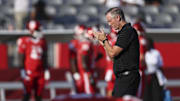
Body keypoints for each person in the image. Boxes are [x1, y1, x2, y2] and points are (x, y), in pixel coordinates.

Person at [93, 7, 140, 97]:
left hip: (128, 76)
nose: (109, 24)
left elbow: (113, 53)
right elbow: (113, 58)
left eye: (110, 21)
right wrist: (103, 43)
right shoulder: (123, 33)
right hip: (122, 77)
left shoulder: (128, 31)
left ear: (118, 17)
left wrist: (104, 40)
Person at [16, 20, 50, 101]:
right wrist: (22, 70)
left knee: (39, 95)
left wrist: (46, 70)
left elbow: (44, 57)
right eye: (38, 30)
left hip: (40, 72)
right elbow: (21, 57)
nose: (40, 31)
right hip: (29, 72)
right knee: (27, 94)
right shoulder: (24, 41)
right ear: (32, 31)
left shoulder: (43, 42)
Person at [133, 22, 147, 98]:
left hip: (132, 70)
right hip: (139, 70)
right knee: (139, 93)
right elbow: (142, 57)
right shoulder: (141, 40)